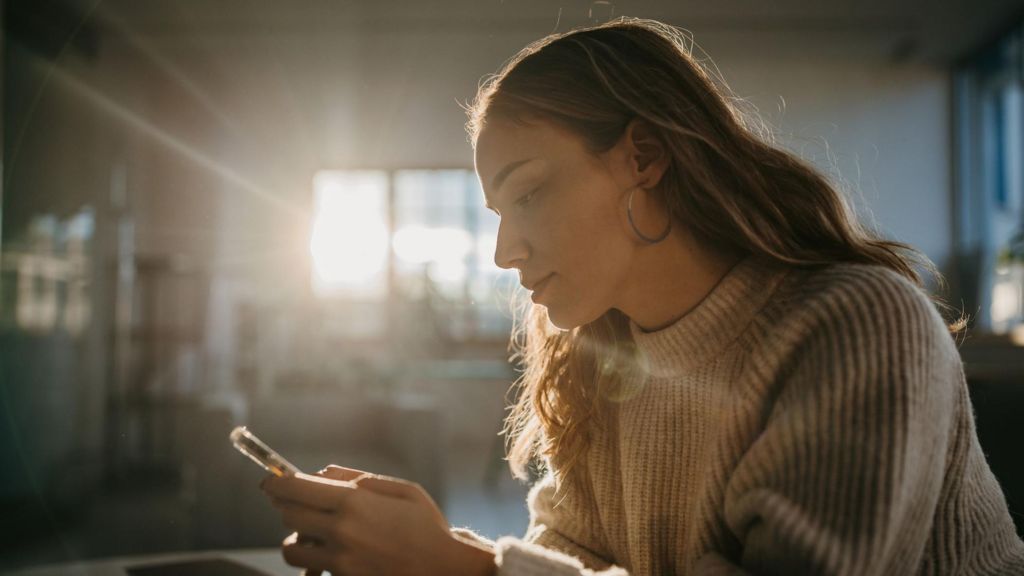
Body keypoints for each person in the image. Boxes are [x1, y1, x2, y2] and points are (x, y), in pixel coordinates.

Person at [260, 16, 1024, 576]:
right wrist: (433, 550)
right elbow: (576, 562)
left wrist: (460, 570)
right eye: (497, 215)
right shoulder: (607, 357)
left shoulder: (857, 325)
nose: (503, 250)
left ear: (644, 156)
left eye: (528, 195)